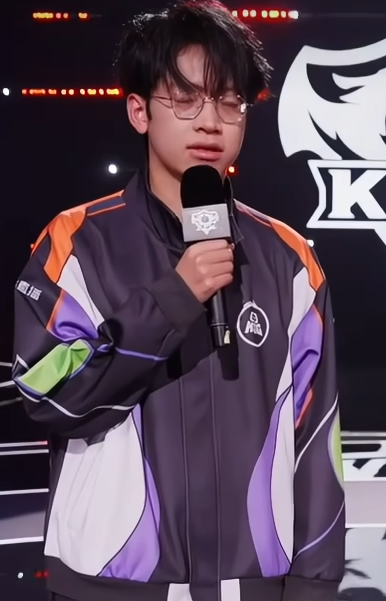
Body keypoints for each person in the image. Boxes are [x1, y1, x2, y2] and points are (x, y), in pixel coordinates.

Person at [12, 2, 345, 600]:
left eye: (229, 102)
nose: (210, 122)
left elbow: (317, 436)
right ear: (139, 111)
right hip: (109, 582)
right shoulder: (75, 243)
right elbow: (47, 395)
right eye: (186, 99)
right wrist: (172, 300)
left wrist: (314, 586)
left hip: (251, 583)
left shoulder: (289, 259)